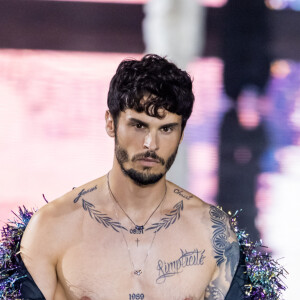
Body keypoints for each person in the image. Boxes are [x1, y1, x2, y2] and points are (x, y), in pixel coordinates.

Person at [0, 54, 285, 300]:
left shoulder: (213, 235)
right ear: (110, 123)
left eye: (166, 129)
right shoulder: (51, 229)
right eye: (138, 125)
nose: (151, 144)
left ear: (182, 134)